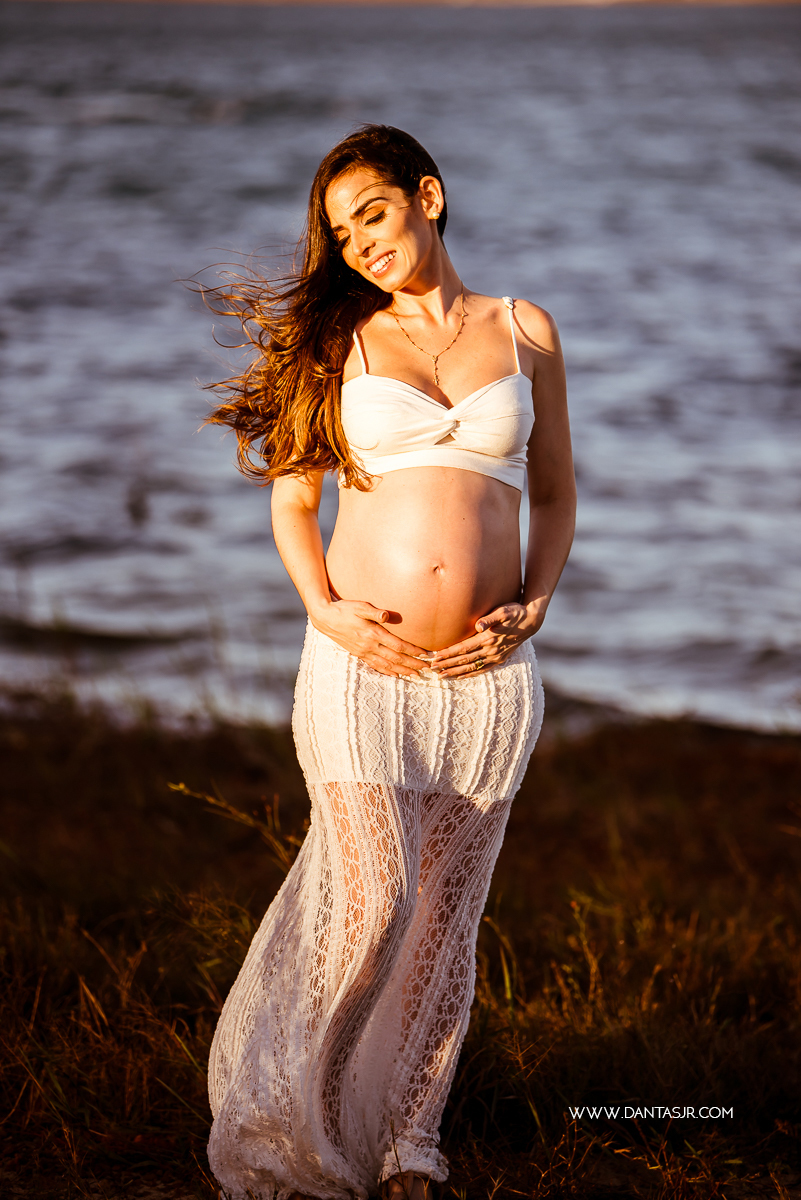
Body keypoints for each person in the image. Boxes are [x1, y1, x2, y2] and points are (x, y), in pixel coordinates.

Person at [202, 124, 575, 1200]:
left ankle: (413, 1141)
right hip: (360, 666)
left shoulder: (525, 330)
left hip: (489, 680)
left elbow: (553, 492)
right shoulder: (337, 343)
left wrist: (536, 605)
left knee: (446, 924)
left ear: (430, 196)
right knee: (374, 899)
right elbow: (292, 499)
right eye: (340, 230)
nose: (360, 242)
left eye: (373, 213)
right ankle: (294, 1128)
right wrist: (324, 607)